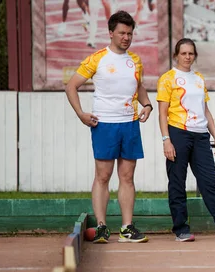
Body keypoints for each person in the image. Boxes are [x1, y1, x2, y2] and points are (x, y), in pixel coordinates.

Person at [65, 10, 152, 244]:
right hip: (104, 124)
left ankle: (126, 228)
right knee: (103, 176)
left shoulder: (135, 60)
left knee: (128, 176)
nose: (126, 37)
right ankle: (102, 227)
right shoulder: (97, 58)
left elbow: (139, 86)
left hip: (130, 123)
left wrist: (147, 104)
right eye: (122, 33)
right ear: (111, 33)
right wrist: (81, 114)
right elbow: (71, 86)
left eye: (130, 33)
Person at [157, 38, 215, 243]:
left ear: (195, 55)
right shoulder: (168, 78)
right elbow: (162, 113)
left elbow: (205, 110)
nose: (187, 57)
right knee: (177, 183)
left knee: (210, 182)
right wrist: (166, 140)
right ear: (176, 55)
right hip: (178, 133)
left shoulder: (199, 78)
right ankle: (181, 230)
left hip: (200, 136)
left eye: (191, 53)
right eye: (183, 53)